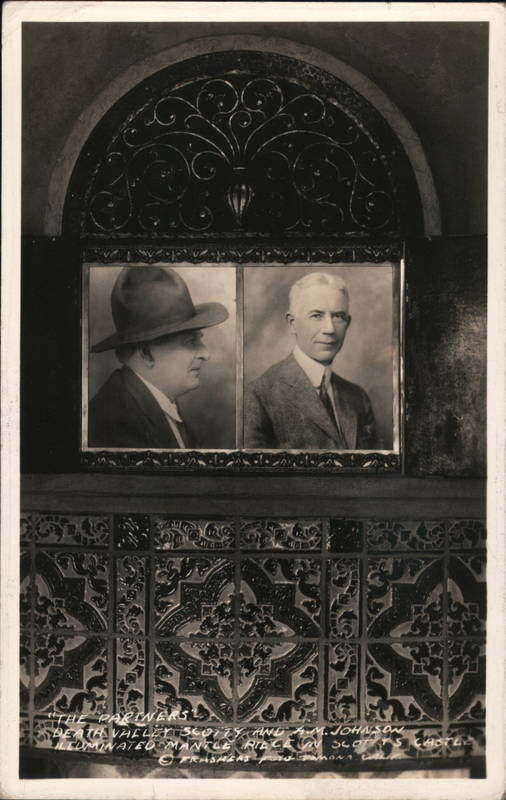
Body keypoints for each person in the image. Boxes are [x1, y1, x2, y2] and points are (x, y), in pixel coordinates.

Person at [88, 266, 228, 448]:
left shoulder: (153, 399)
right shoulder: (115, 425)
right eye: (190, 342)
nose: (205, 354)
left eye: (199, 340)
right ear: (146, 354)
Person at [244, 271, 377, 450]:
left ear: (348, 323)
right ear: (292, 323)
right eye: (316, 316)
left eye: (338, 316)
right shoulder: (257, 396)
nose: (330, 329)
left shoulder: (358, 398)